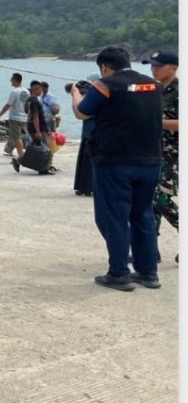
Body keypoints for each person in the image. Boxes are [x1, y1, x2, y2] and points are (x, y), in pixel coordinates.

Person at [72, 46, 164, 291]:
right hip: (150, 160)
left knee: (114, 217)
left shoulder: (105, 85)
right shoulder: (153, 85)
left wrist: (75, 94)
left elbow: (81, 112)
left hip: (114, 162)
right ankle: (148, 272)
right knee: (143, 215)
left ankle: (119, 273)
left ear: (104, 67)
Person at [142, 51, 178, 248]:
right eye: (152, 65)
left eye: (159, 66)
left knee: (160, 199)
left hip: (174, 154)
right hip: (153, 151)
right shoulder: (154, 89)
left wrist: (156, 122)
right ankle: (150, 249)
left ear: (173, 68)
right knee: (149, 199)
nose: (154, 69)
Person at [12, 80, 54, 175]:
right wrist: (38, 131)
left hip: (32, 127)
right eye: (40, 89)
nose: (41, 91)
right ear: (37, 89)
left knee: (37, 148)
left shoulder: (29, 100)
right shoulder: (34, 101)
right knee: (45, 149)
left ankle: (20, 161)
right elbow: (35, 117)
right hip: (37, 129)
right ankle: (43, 168)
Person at [70, 74, 101, 196]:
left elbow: (81, 112)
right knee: (85, 162)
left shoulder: (96, 98)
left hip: (91, 133)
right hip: (89, 132)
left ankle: (87, 187)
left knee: (88, 163)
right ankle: (83, 187)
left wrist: (75, 94)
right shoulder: (94, 97)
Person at [0, 73, 29, 159]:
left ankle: (21, 156)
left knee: (17, 138)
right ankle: (10, 150)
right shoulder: (27, 91)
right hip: (24, 118)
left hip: (15, 118)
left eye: (12, 79)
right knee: (20, 136)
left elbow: (8, 105)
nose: (10, 80)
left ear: (15, 80)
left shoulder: (14, 92)